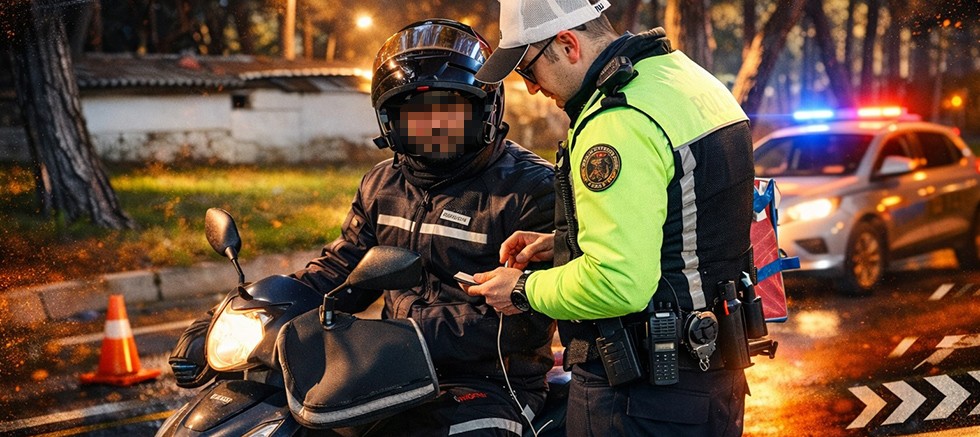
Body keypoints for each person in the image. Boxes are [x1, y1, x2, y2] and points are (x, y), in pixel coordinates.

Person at [170, 19, 557, 436]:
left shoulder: (530, 190)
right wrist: (240, 314)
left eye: (450, 111)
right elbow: (341, 270)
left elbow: (525, 316)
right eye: (414, 114)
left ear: (486, 108)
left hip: (489, 382)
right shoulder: (383, 183)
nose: (433, 127)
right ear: (389, 120)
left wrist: (395, 333)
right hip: (387, 372)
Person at [464, 0, 755, 436]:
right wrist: (566, 241)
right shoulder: (686, 80)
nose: (531, 88)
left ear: (566, 44)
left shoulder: (617, 120)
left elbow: (618, 283)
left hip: (637, 397)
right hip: (711, 379)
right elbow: (685, 220)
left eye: (528, 70)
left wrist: (523, 288)